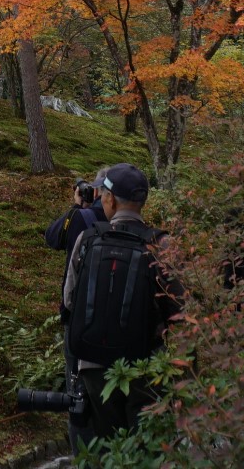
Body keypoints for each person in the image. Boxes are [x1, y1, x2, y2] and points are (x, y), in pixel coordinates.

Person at [58, 163, 179, 450]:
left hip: (93, 367)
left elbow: (69, 300)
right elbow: (178, 310)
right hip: (145, 366)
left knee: (104, 449)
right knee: (143, 447)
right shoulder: (162, 244)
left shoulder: (87, 240)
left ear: (110, 199)